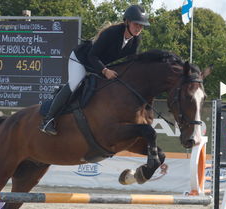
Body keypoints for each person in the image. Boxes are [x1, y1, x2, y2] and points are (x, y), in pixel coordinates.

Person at [39, 4, 150, 136]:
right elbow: (92, 56)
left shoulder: (135, 40)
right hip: (81, 59)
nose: (138, 28)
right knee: (76, 83)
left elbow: (130, 62)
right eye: (136, 24)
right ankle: (48, 120)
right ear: (127, 22)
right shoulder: (112, 32)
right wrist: (105, 71)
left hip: (98, 65)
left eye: (141, 26)